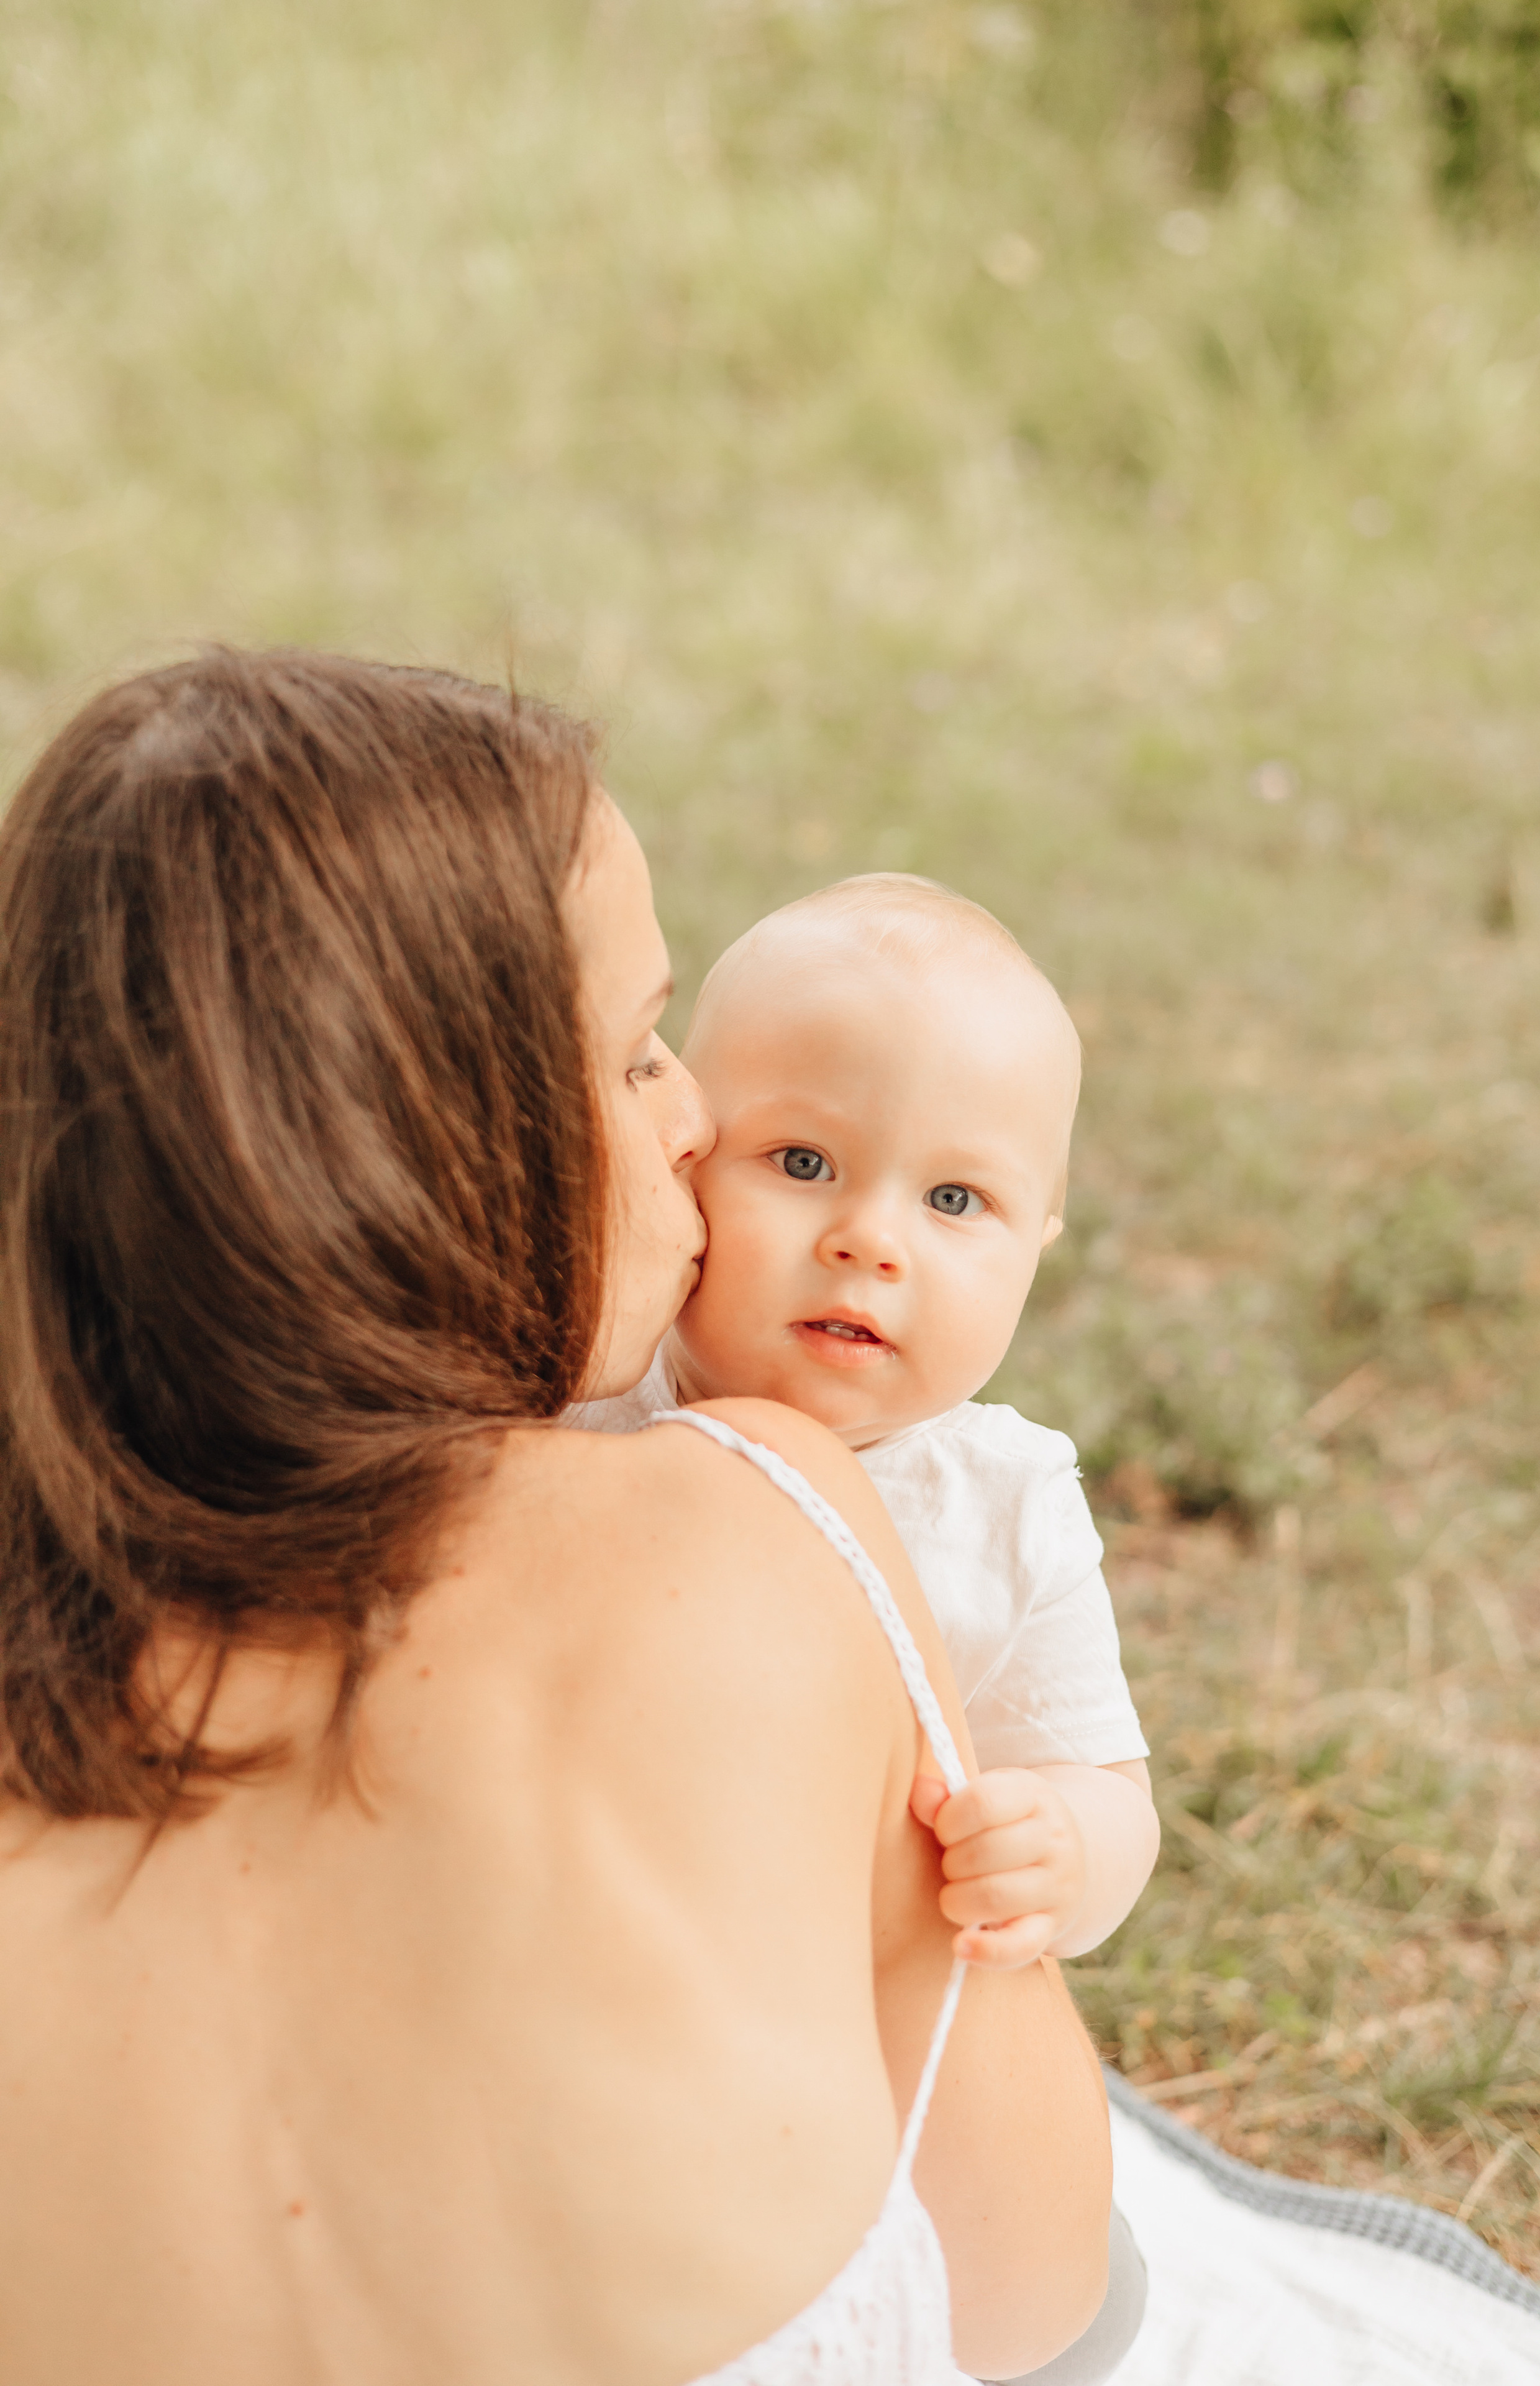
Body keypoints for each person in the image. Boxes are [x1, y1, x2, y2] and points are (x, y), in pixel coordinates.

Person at [0, 650, 1111, 2386]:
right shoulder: (764, 1519)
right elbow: (1035, 2287)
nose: (697, 1129)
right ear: (417, 1143)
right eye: (638, 1051)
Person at [573, 876, 1158, 2386]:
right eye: (803, 1160)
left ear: (1038, 1239)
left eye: (951, 1200)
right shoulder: (600, 1408)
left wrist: (1064, 1850)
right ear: (689, 1151)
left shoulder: (1005, 1503)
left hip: (875, 2036)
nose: (866, 1240)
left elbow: (1104, 1787)